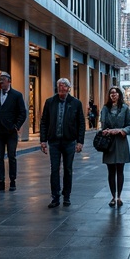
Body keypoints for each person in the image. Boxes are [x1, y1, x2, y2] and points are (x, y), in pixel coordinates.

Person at [39, 77, 86, 207]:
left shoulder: (75, 103)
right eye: (59, 85)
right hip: (54, 142)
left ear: (68, 88)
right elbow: (44, 121)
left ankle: (67, 196)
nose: (61, 88)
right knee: (54, 169)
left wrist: (80, 141)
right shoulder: (50, 102)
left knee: (68, 169)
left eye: (64, 86)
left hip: (69, 141)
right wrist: (43, 140)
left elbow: (81, 123)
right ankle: (55, 197)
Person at [0, 73, 27, 192]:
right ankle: (1, 181)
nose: (1, 83)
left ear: (9, 81)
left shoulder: (17, 95)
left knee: (11, 156)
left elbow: (22, 113)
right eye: (0, 81)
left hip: (11, 132)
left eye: (3, 81)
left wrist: (16, 126)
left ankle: (12, 181)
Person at [100, 86, 130, 206]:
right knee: (110, 171)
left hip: (121, 142)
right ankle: (112, 197)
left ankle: (119, 196)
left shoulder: (125, 108)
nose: (113, 95)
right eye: (111, 93)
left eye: (115, 93)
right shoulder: (105, 108)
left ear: (119, 95)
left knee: (120, 170)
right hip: (109, 143)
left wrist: (122, 130)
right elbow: (102, 125)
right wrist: (105, 131)